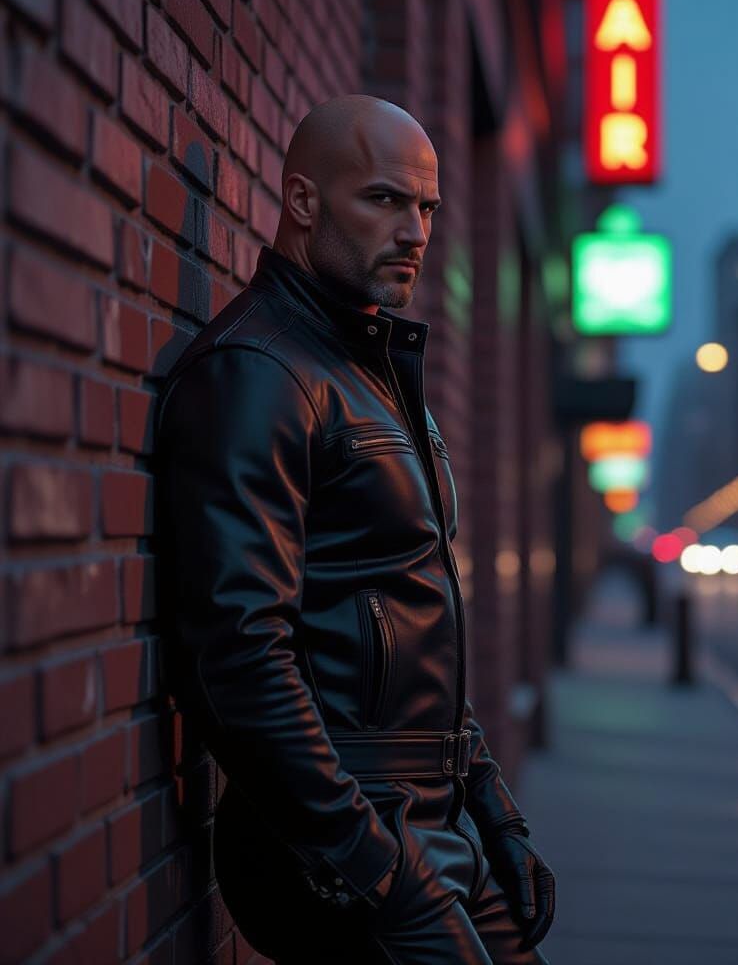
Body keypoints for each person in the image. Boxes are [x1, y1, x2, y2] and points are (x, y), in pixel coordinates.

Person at [154, 95, 555, 963]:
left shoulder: (369, 372)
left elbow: (416, 621)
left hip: (432, 823)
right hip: (347, 836)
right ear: (303, 202)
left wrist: (496, 815)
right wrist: (369, 863)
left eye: (427, 208)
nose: (414, 230)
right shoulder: (259, 374)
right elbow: (237, 651)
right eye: (383, 200)